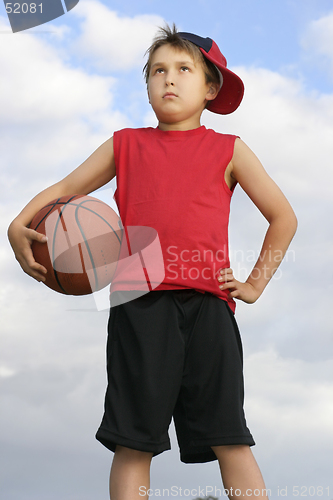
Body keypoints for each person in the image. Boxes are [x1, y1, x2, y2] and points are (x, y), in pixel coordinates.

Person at [8, 24, 297, 500]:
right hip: (138, 306)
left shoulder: (229, 149)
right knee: (132, 441)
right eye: (158, 70)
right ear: (146, 87)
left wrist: (254, 283)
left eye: (184, 69)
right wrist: (18, 223)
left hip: (209, 308)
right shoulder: (125, 144)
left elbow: (283, 216)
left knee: (230, 437)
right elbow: (64, 191)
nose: (169, 79)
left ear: (209, 88)